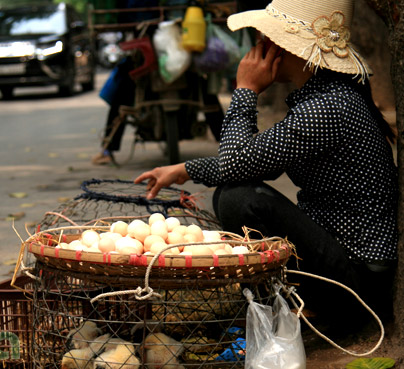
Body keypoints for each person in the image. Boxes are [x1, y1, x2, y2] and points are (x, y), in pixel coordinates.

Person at [134, 0, 397, 325]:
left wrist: (245, 90)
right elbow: (255, 161)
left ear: (291, 48)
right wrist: (183, 170)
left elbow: (236, 164)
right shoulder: (324, 98)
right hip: (344, 266)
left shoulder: (328, 106)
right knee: (235, 188)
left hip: (358, 283)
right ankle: (273, 306)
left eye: (268, 37)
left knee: (237, 198)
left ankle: (272, 312)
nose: (259, 44)